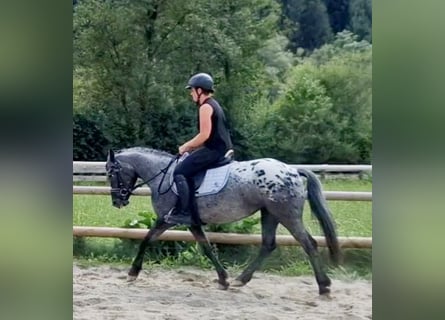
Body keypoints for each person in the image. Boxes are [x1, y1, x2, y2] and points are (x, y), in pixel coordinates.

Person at [165, 73, 233, 226]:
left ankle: (185, 212)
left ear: (200, 91)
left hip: (214, 150)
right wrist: (193, 149)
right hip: (220, 148)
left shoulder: (205, 107)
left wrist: (186, 146)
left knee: (180, 171)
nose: (191, 93)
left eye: (192, 90)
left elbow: (204, 135)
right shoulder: (214, 104)